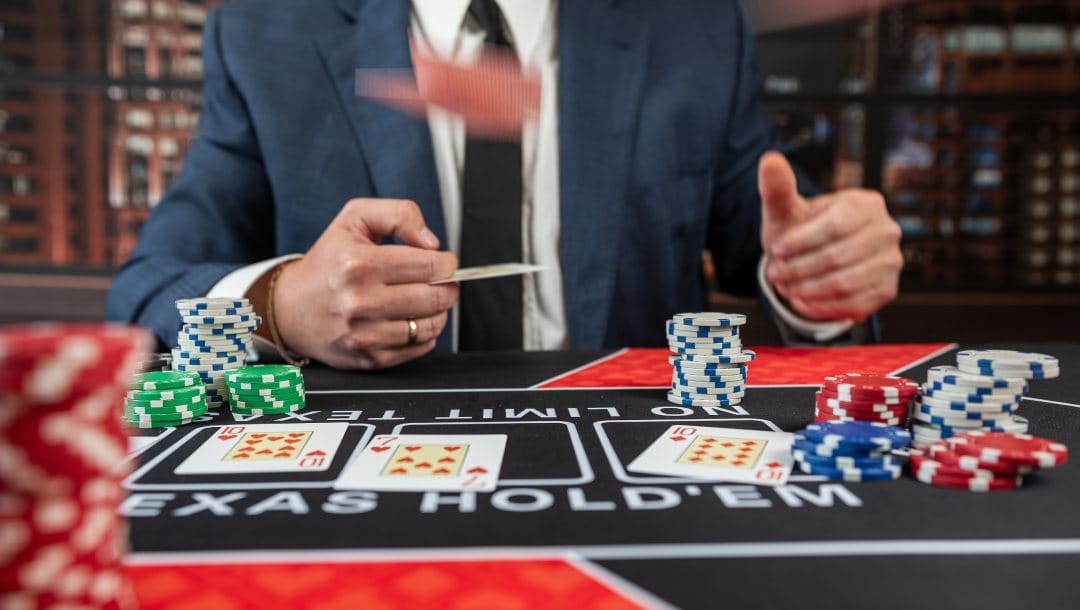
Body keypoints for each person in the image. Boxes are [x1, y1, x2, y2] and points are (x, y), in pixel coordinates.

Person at [107, 0, 903, 370]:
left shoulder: (693, 25)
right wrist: (281, 305)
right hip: (367, 471)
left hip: (636, 463)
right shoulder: (265, 30)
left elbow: (769, 240)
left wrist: (816, 273)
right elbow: (147, 289)